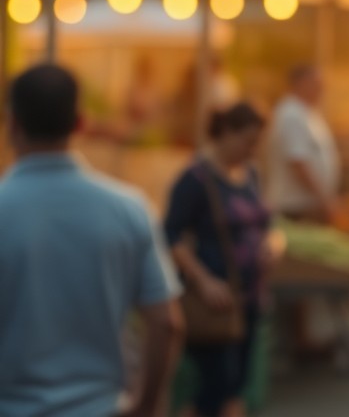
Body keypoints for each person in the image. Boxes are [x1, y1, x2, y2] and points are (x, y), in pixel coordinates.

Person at [0, 64, 183, 417]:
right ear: (81, 124)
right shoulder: (129, 208)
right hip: (99, 406)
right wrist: (146, 404)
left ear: (12, 124)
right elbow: (166, 323)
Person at [164, 103, 272, 417]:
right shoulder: (195, 180)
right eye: (248, 142)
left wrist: (272, 245)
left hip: (250, 295)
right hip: (216, 300)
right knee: (216, 383)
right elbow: (169, 235)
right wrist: (203, 279)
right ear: (225, 133)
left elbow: (266, 225)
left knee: (237, 382)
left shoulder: (251, 175)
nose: (252, 150)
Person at [268, 64, 340, 222]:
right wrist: (324, 199)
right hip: (295, 206)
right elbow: (298, 163)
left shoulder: (307, 112)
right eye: (316, 83)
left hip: (308, 204)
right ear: (300, 83)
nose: (322, 89)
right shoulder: (291, 114)